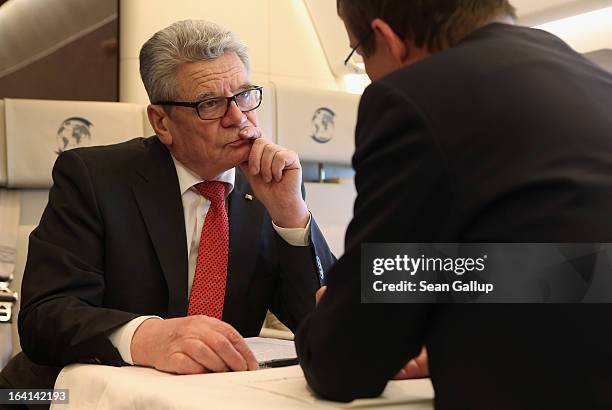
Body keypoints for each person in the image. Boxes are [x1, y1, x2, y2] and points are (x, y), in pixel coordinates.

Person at [295, 1, 612, 409]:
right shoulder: (595, 80)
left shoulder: (413, 97)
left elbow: (343, 363)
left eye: (359, 51)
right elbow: (582, 268)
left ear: (389, 40)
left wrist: (338, 315)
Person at [0, 19, 334, 395]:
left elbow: (330, 325)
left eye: (243, 95)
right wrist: (147, 336)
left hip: (213, 396)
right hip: (70, 395)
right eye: (210, 103)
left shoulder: (271, 184)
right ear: (161, 122)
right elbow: (44, 317)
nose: (239, 117)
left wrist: (291, 215)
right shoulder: (93, 178)